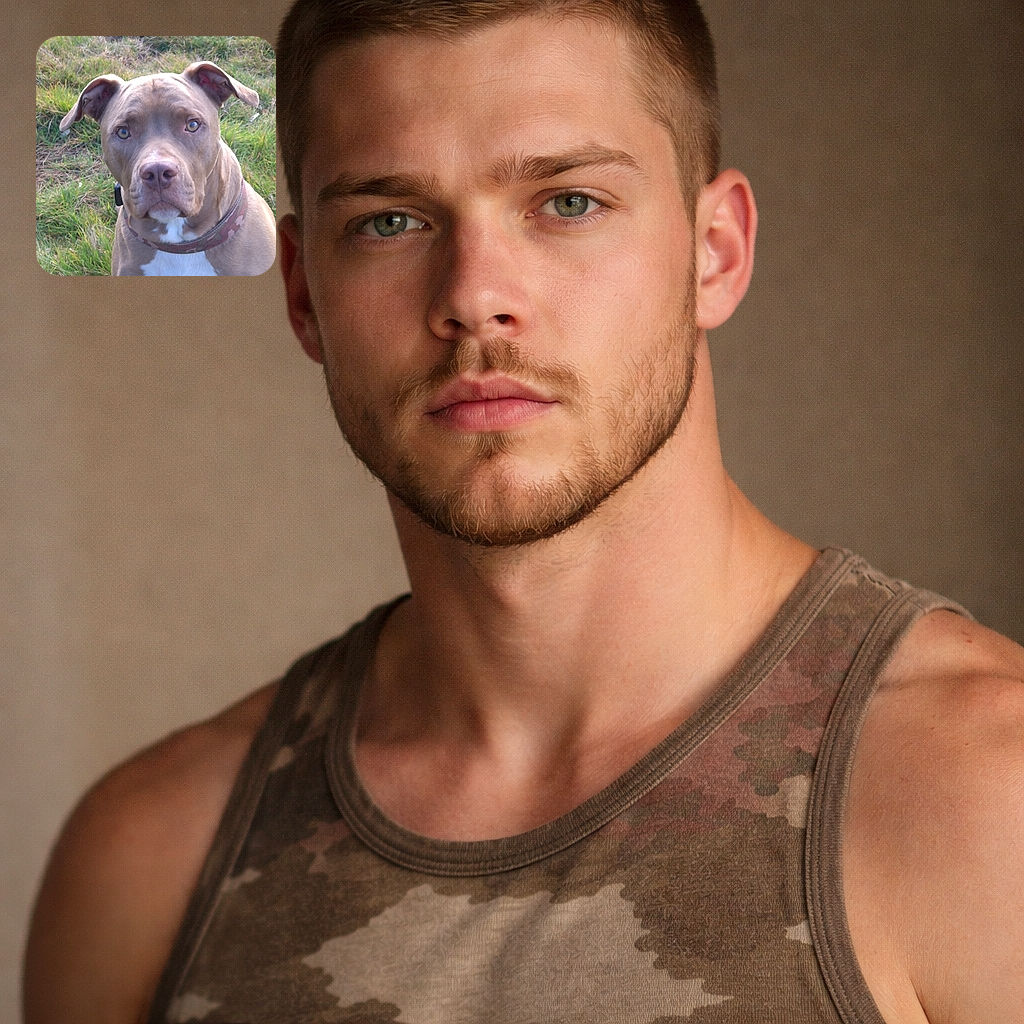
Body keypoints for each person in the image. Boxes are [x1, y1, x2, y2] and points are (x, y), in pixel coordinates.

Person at [23, 2, 1024, 1022]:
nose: (475, 295)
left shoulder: (986, 797)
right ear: (302, 297)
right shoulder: (145, 862)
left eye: (569, 201)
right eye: (388, 221)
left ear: (713, 253)